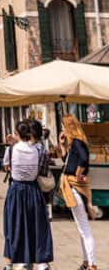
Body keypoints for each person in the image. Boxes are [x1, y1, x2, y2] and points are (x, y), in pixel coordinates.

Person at [2, 120, 53, 270]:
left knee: (13, 225)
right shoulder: (40, 150)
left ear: (17, 134)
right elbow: (42, 171)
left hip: (16, 190)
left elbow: (7, 167)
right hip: (34, 190)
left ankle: (14, 261)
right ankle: (41, 262)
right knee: (37, 225)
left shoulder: (12, 149)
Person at [59, 113, 97, 270]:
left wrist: (78, 174)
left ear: (68, 127)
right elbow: (66, 160)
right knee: (82, 227)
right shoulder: (74, 143)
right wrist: (62, 145)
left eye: (63, 126)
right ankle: (86, 261)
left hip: (75, 186)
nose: (62, 129)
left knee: (84, 228)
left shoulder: (77, 143)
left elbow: (82, 159)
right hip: (75, 186)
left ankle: (92, 264)